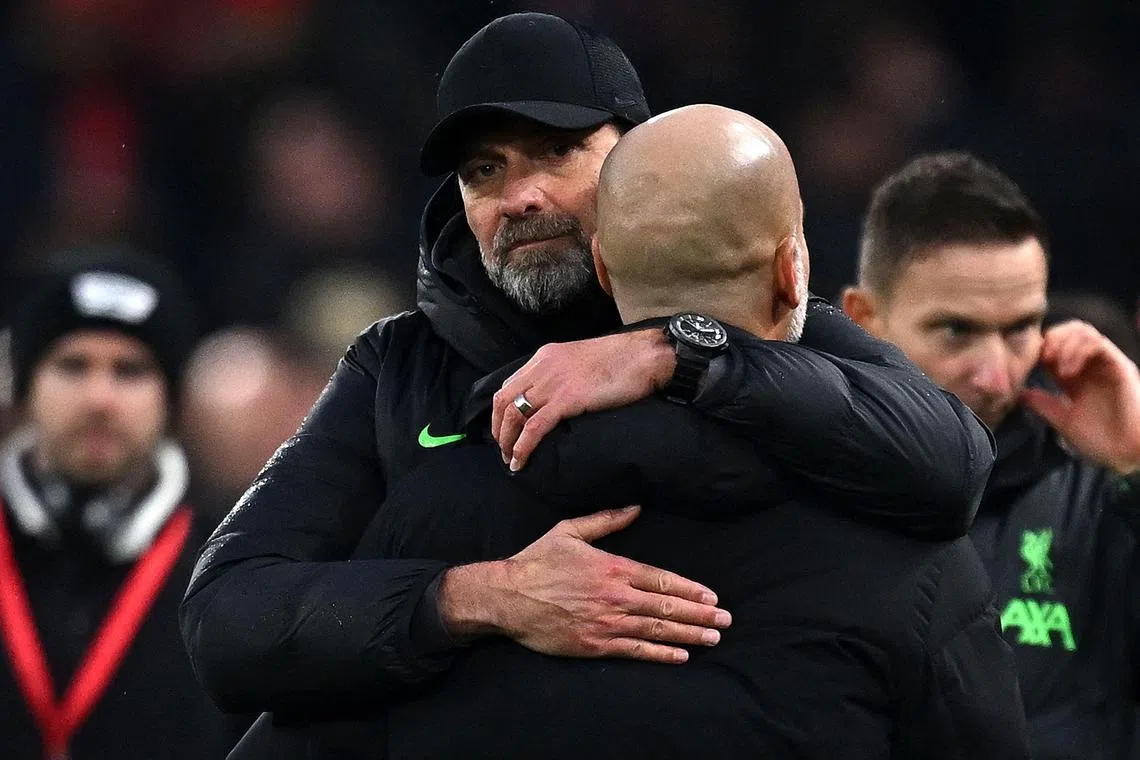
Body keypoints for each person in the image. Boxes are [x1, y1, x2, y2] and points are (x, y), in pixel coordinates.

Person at [181, 12, 994, 720]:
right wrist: (479, 597)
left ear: (639, 159)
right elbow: (227, 618)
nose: (520, 196)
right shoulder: (398, 368)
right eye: (483, 172)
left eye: (557, 150)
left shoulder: (759, 324)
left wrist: (675, 352)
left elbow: (953, 461)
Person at [841, 151, 1140, 760]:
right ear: (865, 319)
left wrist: (1138, 463)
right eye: (958, 331)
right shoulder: (804, 486)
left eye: (1020, 329)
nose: (998, 378)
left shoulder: (1101, 495)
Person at [0, 250, 236, 758]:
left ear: (170, 399)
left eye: (129, 371)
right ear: (24, 388)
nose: (99, 398)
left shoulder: (236, 556)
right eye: (72, 366)